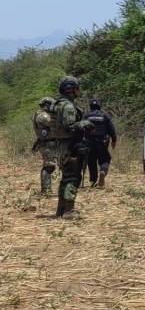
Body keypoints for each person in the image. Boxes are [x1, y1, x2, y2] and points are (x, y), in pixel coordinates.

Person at [49, 77, 94, 217]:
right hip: (70, 145)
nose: (79, 90)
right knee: (73, 177)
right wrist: (85, 124)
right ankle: (68, 210)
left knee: (66, 176)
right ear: (71, 89)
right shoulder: (68, 106)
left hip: (61, 145)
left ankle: (61, 209)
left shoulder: (58, 104)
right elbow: (70, 128)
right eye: (77, 88)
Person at [84, 99, 118, 188]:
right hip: (102, 142)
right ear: (100, 106)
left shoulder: (86, 116)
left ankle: (93, 180)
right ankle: (103, 170)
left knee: (91, 161)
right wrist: (114, 140)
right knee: (105, 159)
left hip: (89, 142)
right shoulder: (105, 116)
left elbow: (81, 129)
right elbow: (111, 129)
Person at [32, 97, 57, 194]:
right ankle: (46, 190)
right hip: (47, 144)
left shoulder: (40, 114)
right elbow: (53, 124)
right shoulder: (43, 116)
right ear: (46, 105)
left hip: (48, 143)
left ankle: (46, 189)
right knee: (49, 166)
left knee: (50, 165)